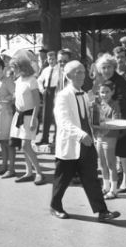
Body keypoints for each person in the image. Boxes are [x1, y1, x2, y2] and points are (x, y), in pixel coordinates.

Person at [49, 60, 120, 221]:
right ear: (68, 76)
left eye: (83, 71)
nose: (83, 75)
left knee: (91, 178)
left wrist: (101, 124)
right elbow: (63, 121)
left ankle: (102, 211)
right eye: (78, 72)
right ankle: (55, 206)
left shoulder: (84, 95)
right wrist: (80, 135)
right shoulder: (63, 96)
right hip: (72, 143)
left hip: (87, 144)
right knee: (62, 179)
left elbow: (88, 118)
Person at [94, 54, 126, 193]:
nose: (106, 70)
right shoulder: (104, 80)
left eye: (109, 67)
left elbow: (122, 101)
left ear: (114, 67)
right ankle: (114, 181)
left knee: (124, 151)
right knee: (113, 153)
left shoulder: (119, 81)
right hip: (110, 121)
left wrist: (111, 118)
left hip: (123, 120)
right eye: (104, 67)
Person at [9, 54, 45, 185]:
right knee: (24, 147)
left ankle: (39, 173)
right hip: (19, 116)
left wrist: (34, 118)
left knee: (26, 145)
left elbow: (37, 102)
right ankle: (28, 172)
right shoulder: (18, 80)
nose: (12, 70)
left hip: (29, 116)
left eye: (14, 67)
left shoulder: (32, 80)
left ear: (21, 67)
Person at [94, 80, 121, 200]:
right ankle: (105, 186)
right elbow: (95, 122)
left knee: (111, 163)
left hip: (110, 137)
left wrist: (102, 123)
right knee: (102, 163)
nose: (104, 94)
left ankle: (114, 189)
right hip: (100, 136)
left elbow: (115, 122)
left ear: (112, 92)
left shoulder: (115, 105)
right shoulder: (98, 104)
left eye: (107, 92)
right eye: (102, 92)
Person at [36, 51, 59, 145]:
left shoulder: (60, 70)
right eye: (49, 59)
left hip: (56, 91)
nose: (51, 61)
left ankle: (56, 138)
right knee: (46, 115)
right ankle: (44, 138)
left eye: (53, 59)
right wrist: (42, 90)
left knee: (56, 115)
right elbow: (39, 80)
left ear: (56, 59)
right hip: (47, 92)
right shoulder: (45, 70)